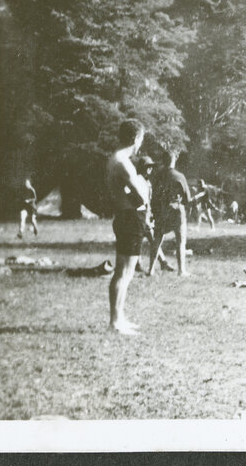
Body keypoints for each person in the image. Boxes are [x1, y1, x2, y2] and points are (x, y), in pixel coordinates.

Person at [106, 118, 150, 334]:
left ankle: (119, 318)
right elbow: (141, 196)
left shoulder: (114, 159)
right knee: (124, 272)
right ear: (135, 138)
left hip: (124, 215)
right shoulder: (123, 162)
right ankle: (115, 322)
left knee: (123, 272)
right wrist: (143, 186)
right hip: (130, 217)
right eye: (141, 138)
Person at [149, 149, 192, 276]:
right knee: (180, 241)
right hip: (176, 212)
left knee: (157, 240)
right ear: (175, 160)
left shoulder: (157, 176)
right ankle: (181, 270)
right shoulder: (179, 176)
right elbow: (187, 198)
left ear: (163, 160)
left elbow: (153, 195)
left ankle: (150, 270)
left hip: (162, 211)